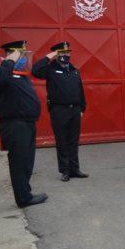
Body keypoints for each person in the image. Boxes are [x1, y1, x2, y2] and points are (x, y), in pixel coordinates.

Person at [0, 40, 48, 208]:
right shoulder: (2, 72)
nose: (24, 58)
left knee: (27, 160)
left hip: (27, 124)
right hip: (14, 125)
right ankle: (23, 198)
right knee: (19, 162)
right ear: (13, 54)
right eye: (21, 55)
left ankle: (26, 192)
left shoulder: (21, 75)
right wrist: (10, 60)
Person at [32, 42, 88, 181]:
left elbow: (80, 90)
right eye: (62, 53)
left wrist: (82, 107)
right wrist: (49, 56)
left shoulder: (74, 69)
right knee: (62, 140)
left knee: (73, 141)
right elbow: (35, 70)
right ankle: (65, 171)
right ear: (56, 54)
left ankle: (75, 169)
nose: (66, 55)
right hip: (59, 110)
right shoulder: (50, 69)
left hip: (74, 109)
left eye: (67, 52)